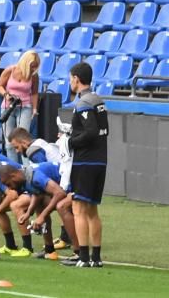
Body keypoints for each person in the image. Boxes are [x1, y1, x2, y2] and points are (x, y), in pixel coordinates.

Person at [63, 63, 109, 268]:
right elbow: (103, 131)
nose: (69, 82)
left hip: (86, 161)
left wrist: (70, 141)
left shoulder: (83, 103)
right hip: (100, 160)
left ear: (76, 79)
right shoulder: (99, 100)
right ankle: (96, 257)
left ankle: (83, 256)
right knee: (92, 210)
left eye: (71, 78)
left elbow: (90, 132)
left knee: (79, 208)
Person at [0, 162, 79, 261]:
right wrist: (28, 213)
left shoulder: (35, 176)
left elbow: (59, 193)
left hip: (77, 185)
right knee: (40, 205)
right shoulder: (25, 178)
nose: (10, 188)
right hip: (65, 187)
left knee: (61, 207)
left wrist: (42, 217)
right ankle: (49, 250)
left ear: (14, 175)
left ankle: (79, 252)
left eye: (8, 184)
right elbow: (37, 194)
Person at [0, 51, 41, 164]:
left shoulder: (34, 75)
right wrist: (6, 95)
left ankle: (27, 167)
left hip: (25, 107)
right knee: (9, 140)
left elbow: (35, 93)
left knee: (23, 139)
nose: (33, 69)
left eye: (35, 66)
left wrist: (35, 109)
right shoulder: (10, 70)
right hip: (8, 107)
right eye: (32, 66)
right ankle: (14, 166)